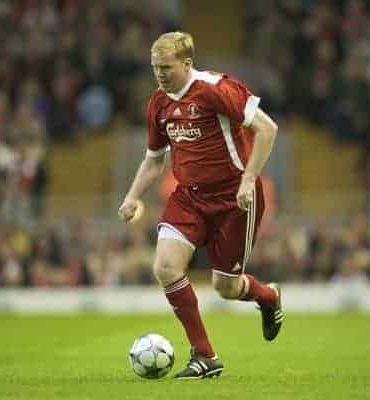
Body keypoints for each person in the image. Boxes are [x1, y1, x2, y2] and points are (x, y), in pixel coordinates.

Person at [118, 32, 284, 379]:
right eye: (154, 68)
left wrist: (249, 178)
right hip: (189, 197)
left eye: (166, 67)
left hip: (233, 197)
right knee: (165, 267)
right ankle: (206, 356)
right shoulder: (158, 104)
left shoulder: (216, 89)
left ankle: (267, 296)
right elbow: (154, 160)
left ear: (187, 63)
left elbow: (267, 129)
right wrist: (132, 196)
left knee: (225, 287)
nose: (160, 75)